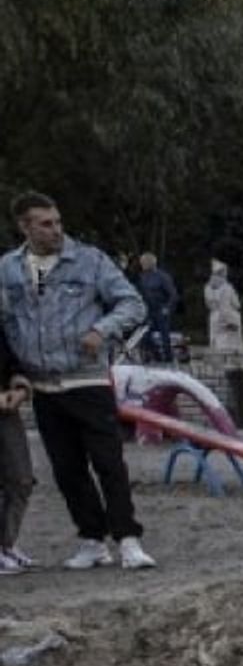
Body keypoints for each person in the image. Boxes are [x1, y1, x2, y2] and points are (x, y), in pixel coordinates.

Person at [0, 193, 153, 570]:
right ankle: (91, 538)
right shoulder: (8, 268)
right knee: (67, 469)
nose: (56, 230)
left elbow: (132, 303)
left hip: (86, 379)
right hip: (43, 385)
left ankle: (128, 539)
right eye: (45, 224)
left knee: (109, 464)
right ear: (25, 227)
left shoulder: (89, 260)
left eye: (58, 222)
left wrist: (102, 330)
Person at [0, 324, 33, 575]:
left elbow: (11, 360)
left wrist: (19, 388)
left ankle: (6, 544)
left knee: (21, 478)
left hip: (5, 411)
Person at [134, 253, 180, 363]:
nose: (142, 265)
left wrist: (167, 308)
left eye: (144, 263)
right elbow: (140, 293)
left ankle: (168, 358)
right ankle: (156, 355)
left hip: (161, 309)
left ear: (150, 263)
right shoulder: (142, 277)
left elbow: (173, 295)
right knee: (144, 336)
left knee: (164, 336)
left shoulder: (163, 277)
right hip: (148, 310)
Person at [204, 261, 243, 352]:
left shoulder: (208, 287)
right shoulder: (228, 288)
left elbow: (208, 303)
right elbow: (237, 304)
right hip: (228, 315)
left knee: (216, 339)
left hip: (215, 316)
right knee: (229, 341)